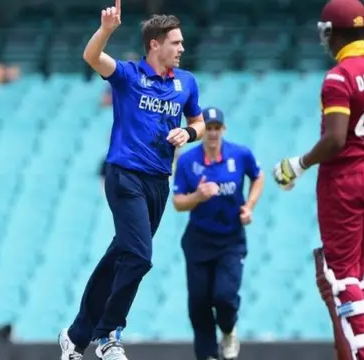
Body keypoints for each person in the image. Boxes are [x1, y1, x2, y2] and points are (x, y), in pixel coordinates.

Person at [271, 0, 364, 359]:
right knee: (352, 276)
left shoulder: (339, 77)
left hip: (343, 181)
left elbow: (336, 140)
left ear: (332, 33)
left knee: (341, 280)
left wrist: (299, 164)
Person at [58, 2, 205, 360]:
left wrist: (188, 132)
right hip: (124, 176)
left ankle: (75, 336)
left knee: (122, 254)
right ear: (155, 45)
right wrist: (106, 30)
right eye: (175, 42)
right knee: (139, 256)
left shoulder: (186, 83)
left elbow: (199, 122)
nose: (182, 48)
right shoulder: (128, 75)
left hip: (158, 182)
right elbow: (92, 56)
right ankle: (108, 334)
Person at [172, 107, 264, 360]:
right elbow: (178, 202)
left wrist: (249, 206)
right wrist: (198, 196)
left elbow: (258, 176)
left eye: (216, 128)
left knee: (224, 296)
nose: (212, 133)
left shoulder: (240, 154)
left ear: (223, 129)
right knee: (199, 303)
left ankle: (228, 329)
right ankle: (207, 355)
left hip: (230, 239)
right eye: (208, 128)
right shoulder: (189, 161)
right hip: (199, 239)